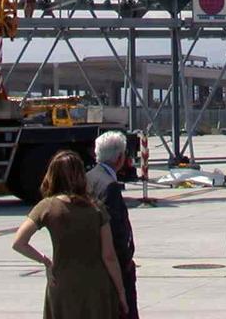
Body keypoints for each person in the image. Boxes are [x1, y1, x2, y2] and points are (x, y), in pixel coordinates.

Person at [13, 150, 128, 319]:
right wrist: (121, 292)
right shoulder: (96, 208)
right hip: (96, 287)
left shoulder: (46, 207)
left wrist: (45, 261)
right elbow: (109, 256)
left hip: (62, 285)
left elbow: (19, 242)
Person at [86, 131, 138, 319]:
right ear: (119, 158)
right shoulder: (110, 187)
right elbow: (117, 232)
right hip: (114, 267)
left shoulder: (88, 177)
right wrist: (126, 263)